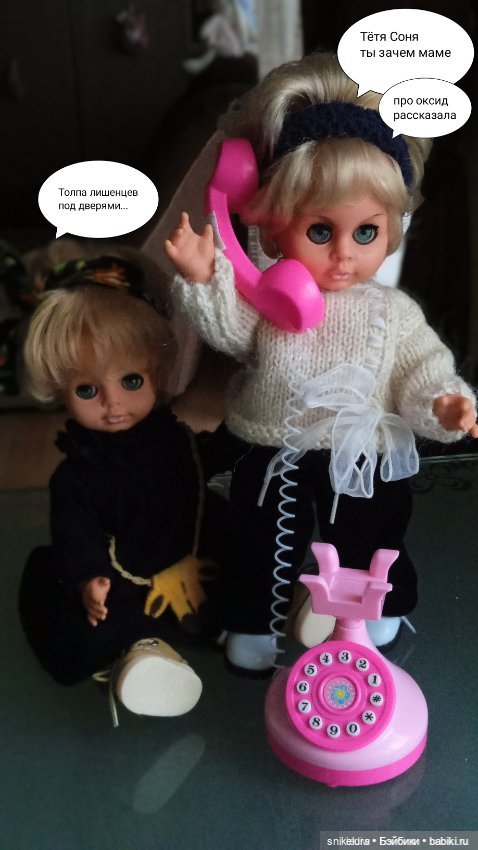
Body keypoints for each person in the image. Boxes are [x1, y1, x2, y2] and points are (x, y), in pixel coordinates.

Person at [164, 51, 478, 675]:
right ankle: (252, 620)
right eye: (319, 231)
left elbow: (421, 368)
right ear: (275, 227)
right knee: (258, 538)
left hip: (357, 449)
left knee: (373, 531)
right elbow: (232, 330)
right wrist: (207, 277)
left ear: (391, 229)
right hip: (268, 440)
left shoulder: (391, 313)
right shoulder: (276, 299)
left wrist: (443, 402)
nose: (343, 255)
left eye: (365, 233)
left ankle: (374, 608)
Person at [18, 257, 226, 724]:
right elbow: (76, 534)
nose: (113, 404)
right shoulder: (76, 475)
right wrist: (89, 579)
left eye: (131, 381)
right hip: (127, 585)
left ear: (156, 372)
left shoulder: (177, 439)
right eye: (87, 390)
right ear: (60, 391)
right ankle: (143, 658)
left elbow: (198, 487)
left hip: (194, 564)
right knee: (65, 596)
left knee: (242, 556)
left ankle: (274, 611)